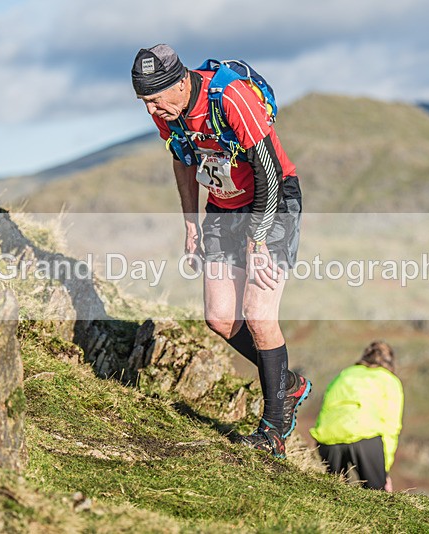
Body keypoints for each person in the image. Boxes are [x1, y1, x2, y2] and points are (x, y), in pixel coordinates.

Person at [131, 44, 311, 459]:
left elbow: (267, 168)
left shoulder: (230, 98)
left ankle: (273, 432)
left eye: (156, 100)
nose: (151, 111)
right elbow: (183, 161)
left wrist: (258, 240)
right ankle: (288, 383)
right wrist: (191, 222)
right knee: (219, 317)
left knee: (260, 315)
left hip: (271, 201)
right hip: (222, 206)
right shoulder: (171, 115)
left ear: (180, 83)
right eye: (144, 103)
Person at [310, 341, 404, 491]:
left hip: (328, 438)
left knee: (333, 491)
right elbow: (391, 425)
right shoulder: (389, 380)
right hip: (365, 438)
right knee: (377, 496)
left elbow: (327, 407)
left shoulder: (345, 374)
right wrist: (383, 470)